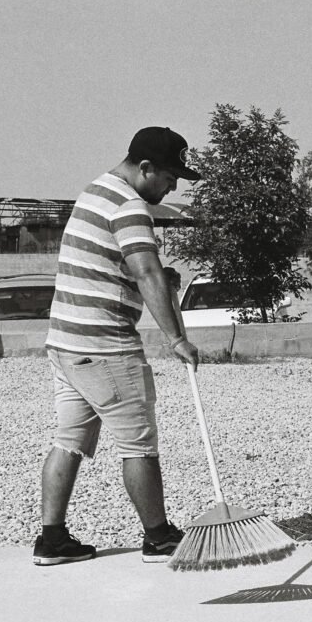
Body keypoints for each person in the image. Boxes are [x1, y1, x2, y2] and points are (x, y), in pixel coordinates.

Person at [33, 126, 201, 566]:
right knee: (138, 443)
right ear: (144, 168)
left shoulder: (94, 192)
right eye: (168, 176)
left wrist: (158, 280)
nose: (173, 186)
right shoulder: (130, 206)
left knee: (68, 439)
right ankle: (160, 537)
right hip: (105, 344)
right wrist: (177, 338)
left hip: (65, 343)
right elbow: (145, 272)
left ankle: (51, 540)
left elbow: (118, 268)